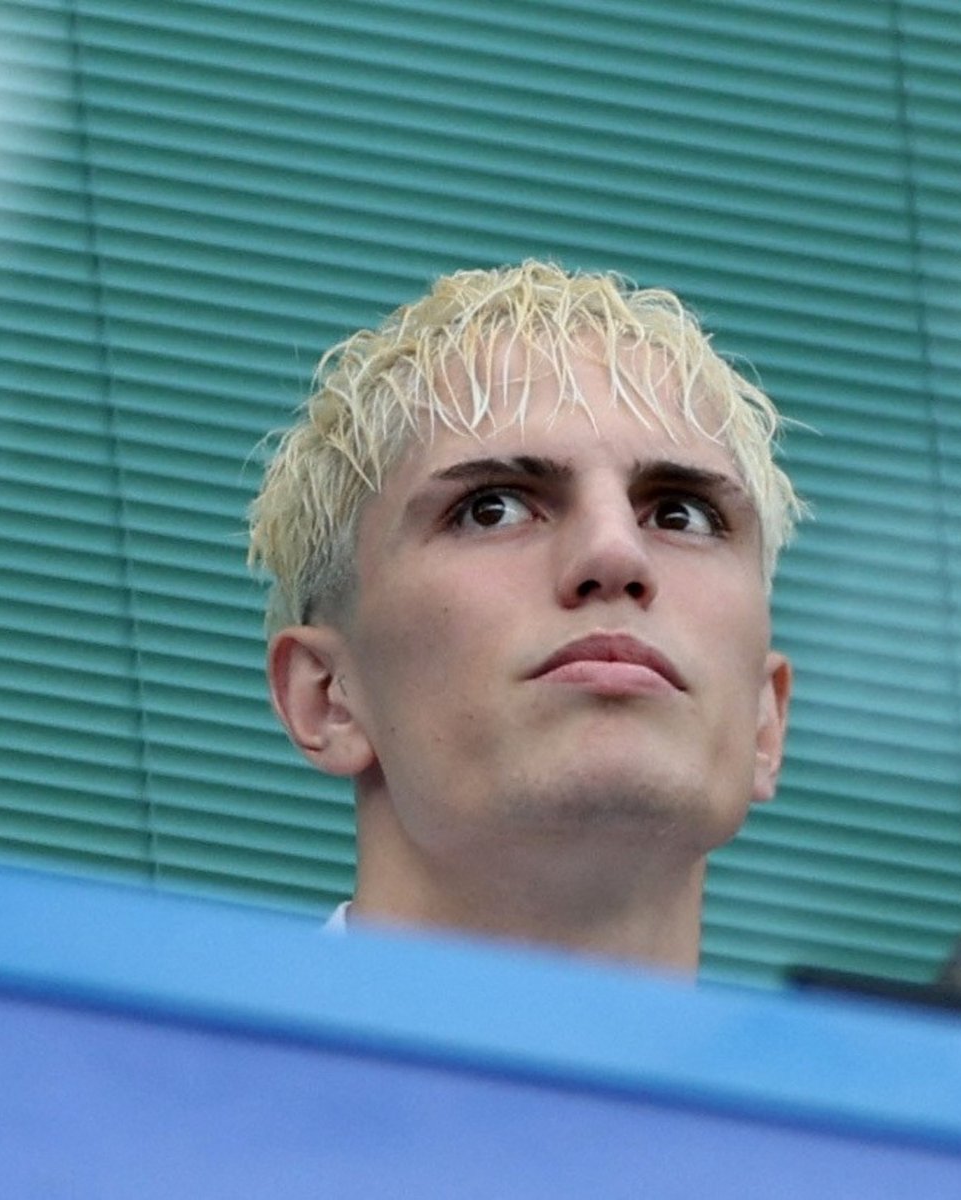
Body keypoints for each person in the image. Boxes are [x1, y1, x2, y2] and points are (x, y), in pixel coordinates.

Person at [247, 260, 805, 972]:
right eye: (493, 508)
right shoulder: (117, 1079)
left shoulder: (897, 1085)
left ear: (766, 717)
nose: (615, 554)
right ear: (327, 696)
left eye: (680, 514)